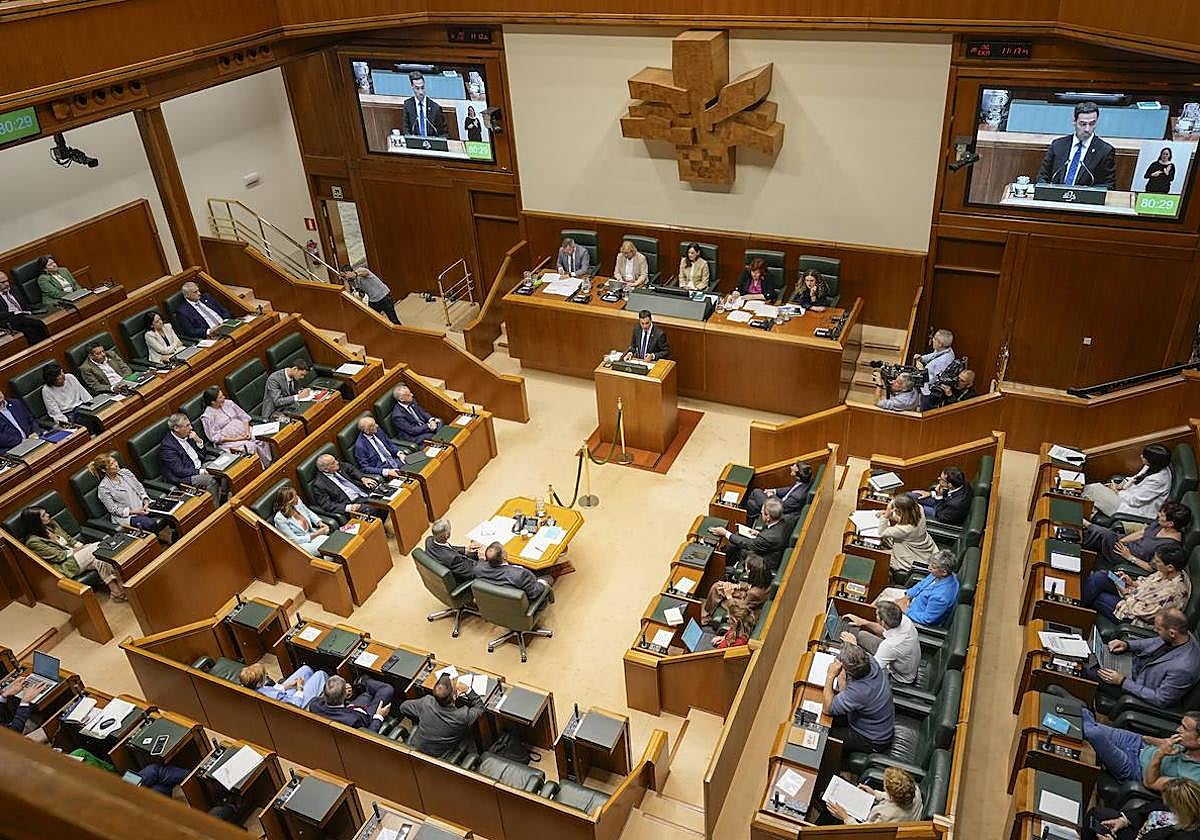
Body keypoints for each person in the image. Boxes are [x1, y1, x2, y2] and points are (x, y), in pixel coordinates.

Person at [1087, 608, 1200, 708]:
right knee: (1090, 652)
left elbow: (1160, 699)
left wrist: (1122, 681)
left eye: (1159, 629)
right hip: (1131, 664)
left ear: (1172, 633)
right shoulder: (1182, 635)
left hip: (1134, 687)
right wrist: (1127, 645)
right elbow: (1154, 642)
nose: (1156, 631)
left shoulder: (1184, 669)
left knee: (1085, 669)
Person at [1072, 704, 1200, 789]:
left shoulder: (1194, 778)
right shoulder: (1186, 744)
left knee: (1093, 733)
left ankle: (1074, 710)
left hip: (1135, 769)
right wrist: (1145, 738)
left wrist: (1160, 753)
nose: (1178, 729)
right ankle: (1076, 712)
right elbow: (1163, 742)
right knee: (1085, 722)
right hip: (1138, 744)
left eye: (1184, 728)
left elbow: (1150, 783)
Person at [20, 506, 124, 600]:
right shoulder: (33, 542)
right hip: (66, 565)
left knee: (100, 560)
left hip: (77, 555)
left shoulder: (52, 524)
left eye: (46, 512)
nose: (48, 515)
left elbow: (70, 540)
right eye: (43, 515)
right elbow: (59, 557)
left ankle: (117, 593)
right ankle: (123, 585)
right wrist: (83, 549)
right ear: (35, 522)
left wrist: (80, 547)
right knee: (99, 548)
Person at [1082, 544, 1191, 625]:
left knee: (1098, 596)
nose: (1153, 562)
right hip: (1133, 593)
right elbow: (1148, 583)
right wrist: (1132, 583)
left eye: (1157, 561)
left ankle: (1076, 610)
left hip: (1132, 613)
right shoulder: (1168, 571)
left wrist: (1126, 595)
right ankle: (1076, 603)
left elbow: (1146, 613)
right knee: (1104, 575)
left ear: (1170, 567)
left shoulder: (1174, 592)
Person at [822, 643, 895, 759]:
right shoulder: (869, 661)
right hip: (873, 721)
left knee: (823, 734)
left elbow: (827, 708)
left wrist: (830, 676)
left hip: (873, 739)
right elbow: (846, 690)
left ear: (849, 672)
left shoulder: (859, 692)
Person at [395, 673, 485, 759]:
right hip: (439, 755)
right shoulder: (461, 716)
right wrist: (468, 690)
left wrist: (419, 719)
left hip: (417, 748)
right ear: (454, 696)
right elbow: (480, 707)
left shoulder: (426, 702)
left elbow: (403, 708)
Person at [1085, 502, 1190, 572]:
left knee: (1105, 534)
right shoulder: (1159, 525)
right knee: (1105, 536)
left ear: (1170, 523)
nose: (1158, 515)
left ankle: (1087, 525)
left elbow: (1151, 567)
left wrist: (1130, 557)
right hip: (1124, 545)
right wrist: (1121, 541)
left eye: (1162, 516)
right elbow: (1141, 533)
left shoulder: (1170, 545)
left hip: (1127, 557)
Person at [1035, 101, 1117, 189]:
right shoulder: (1058, 145)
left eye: (1092, 124)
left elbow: (1108, 185)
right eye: (1083, 124)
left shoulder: (1104, 151)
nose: (1087, 129)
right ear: (1074, 122)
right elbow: (1042, 177)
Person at [92, 452, 173, 541]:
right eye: (112, 464)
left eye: (115, 461)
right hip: (127, 516)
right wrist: (136, 511)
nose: (116, 465)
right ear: (104, 470)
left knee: (169, 508)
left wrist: (145, 501)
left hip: (144, 505)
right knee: (150, 523)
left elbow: (139, 487)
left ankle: (175, 532)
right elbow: (113, 509)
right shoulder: (103, 488)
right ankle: (160, 540)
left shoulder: (125, 472)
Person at [841, 600, 921, 685]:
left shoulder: (890, 645)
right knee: (861, 635)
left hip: (898, 677)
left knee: (850, 668)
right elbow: (883, 630)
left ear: (882, 622)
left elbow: (871, 671)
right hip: (900, 659)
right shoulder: (904, 620)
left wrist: (853, 646)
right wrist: (863, 622)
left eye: (876, 615)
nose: (875, 615)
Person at [874, 549, 961, 628]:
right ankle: (868, 610)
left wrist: (906, 610)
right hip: (915, 601)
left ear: (944, 572)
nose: (929, 568)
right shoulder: (940, 574)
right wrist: (907, 597)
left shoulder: (941, 597)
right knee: (887, 591)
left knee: (884, 607)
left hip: (916, 617)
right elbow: (921, 585)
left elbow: (927, 619)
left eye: (933, 567)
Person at [1084, 444, 1174, 520]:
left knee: (1092, 489)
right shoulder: (1153, 465)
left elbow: (1135, 501)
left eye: (1144, 456)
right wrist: (1123, 484)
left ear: (1152, 460)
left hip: (1133, 510)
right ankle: (1085, 521)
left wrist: (1117, 492)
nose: (1141, 456)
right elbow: (1136, 478)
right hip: (1126, 498)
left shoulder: (1158, 480)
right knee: (1092, 499)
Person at [1092, 777, 1200, 840]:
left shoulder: (1185, 837)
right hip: (1138, 829)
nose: (1164, 803)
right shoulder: (1171, 805)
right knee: (1096, 814)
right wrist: (1124, 820)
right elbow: (1148, 808)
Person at [709, 497, 788, 573]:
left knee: (739, 547)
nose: (761, 513)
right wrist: (759, 534)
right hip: (770, 550)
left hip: (763, 563)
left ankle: (720, 568)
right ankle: (723, 560)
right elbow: (771, 537)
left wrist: (725, 533)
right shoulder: (783, 521)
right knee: (736, 538)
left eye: (762, 512)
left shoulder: (768, 537)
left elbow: (749, 544)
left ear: (768, 517)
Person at [159, 413, 227, 501]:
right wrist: (201, 471)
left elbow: (204, 455)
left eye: (190, 424)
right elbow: (179, 471)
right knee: (210, 480)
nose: (191, 428)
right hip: (185, 477)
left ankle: (224, 496)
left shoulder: (188, 435)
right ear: (176, 428)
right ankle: (216, 509)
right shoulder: (167, 447)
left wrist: (198, 440)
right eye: (187, 426)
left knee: (223, 468)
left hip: (199, 466)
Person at [200, 387, 272, 467]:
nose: (224, 397)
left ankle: (271, 463)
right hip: (229, 442)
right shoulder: (207, 417)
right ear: (213, 402)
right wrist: (238, 439)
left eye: (222, 395)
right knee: (251, 446)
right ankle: (261, 470)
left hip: (246, 431)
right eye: (220, 397)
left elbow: (244, 417)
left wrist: (247, 431)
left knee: (263, 438)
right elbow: (214, 437)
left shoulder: (229, 403)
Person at [827, 767, 924, 825]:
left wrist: (845, 817)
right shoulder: (915, 789)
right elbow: (898, 797)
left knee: (832, 810)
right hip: (907, 819)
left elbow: (864, 833)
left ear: (892, 796)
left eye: (885, 788)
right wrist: (875, 793)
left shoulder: (886, 815)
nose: (883, 787)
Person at [308, 454, 388, 523]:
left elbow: (351, 469)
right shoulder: (319, 484)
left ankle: (382, 526)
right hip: (351, 503)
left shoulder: (339, 466)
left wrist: (362, 478)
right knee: (374, 509)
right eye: (333, 463)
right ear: (326, 469)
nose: (337, 462)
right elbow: (327, 505)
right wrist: (348, 507)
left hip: (363, 493)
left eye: (335, 460)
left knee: (385, 500)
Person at [877, 493, 938, 579]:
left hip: (909, 557)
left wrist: (886, 515)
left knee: (877, 556)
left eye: (896, 511)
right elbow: (904, 517)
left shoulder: (905, 529)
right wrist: (890, 516)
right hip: (924, 550)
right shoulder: (919, 508)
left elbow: (882, 532)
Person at [701, 553, 771, 626]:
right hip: (747, 597)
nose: (745, 568)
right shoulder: (764, 578)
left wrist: (729, 595)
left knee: (720, 598)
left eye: (747, 567)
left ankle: (708, 617)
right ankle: (707, 613)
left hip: (745, 607)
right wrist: (737, 586)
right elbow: (751, 586)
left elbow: (742, 610)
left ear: (751, 571)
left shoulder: (754, 593)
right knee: (718, 586)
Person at [306, 674, 392, 732]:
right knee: (387, 689)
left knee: (367, 695)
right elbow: (368, 735)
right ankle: (364, 681)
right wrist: (379, 716)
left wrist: (341, 696)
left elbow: (327, 699)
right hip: (366, 717)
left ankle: (364, 682)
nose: (347, 685)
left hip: (348, 709)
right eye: (345, 686)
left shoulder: (314, 704)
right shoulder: (353, 721)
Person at [474, 541, 554, 602]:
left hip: (499, 604)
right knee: (548, 577)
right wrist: (541, 583)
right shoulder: (519, 574)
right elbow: (534, 593)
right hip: (521, 605)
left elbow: (481, 562)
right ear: (504, 556)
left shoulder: (478, 568)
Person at [744, 460, 812, 523]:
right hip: (781, 502)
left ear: (798, 477)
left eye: (793, 470)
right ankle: (749, 519)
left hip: (778, 510)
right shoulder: (804, 482)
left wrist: (771, 495)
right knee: (751, 503)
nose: (791, 467)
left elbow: (782, 507)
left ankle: (746, 516)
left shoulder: (797, 496)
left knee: (756, 492)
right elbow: (790, 489)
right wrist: (774, 491)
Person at [239, 662, 328, 708]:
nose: (267, 675)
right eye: (265, 675)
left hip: (283, 697)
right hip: (295, 705)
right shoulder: (271, 696)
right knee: (320, 674)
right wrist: (299, 689)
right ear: (258, 683)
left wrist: (288, 686)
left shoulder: (252, 688)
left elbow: (272, 690)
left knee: (306, 669)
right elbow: (294, 705)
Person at [272, 486, 329, 556]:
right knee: (328, 549)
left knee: (331, 543)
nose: (297, 497)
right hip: (300, 546)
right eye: (295, 496)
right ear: (289, 501)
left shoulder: (297, 502)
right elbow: (294, 540)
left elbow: (308, 512)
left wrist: (319, 523)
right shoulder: (279, 518)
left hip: (311, 534)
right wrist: (317, 534)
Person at [0, 271, 48, 344]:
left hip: (24, 317)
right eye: (3, 282)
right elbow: (1, 315)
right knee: (38, 324)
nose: (7, 284)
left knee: (30, 330)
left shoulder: (14, 289)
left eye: (7, 281)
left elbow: (25, 305)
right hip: (9, 320)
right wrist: (16, 313)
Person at [40, 363, 91, 428]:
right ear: (51, 379)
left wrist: (93, 407)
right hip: (68, 414)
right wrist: (68, 425)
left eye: (61, 372)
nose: (62, 376)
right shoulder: (46, 390)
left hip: (82, 408)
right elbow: (55, 413)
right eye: (58, 376)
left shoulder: (70, 377)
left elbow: (85, 396)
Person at [913, 329, 955, 405]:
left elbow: (931, 380)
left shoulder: (942, 361)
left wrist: (921, 369)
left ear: (940, 344)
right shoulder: (945, 349)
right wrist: (922, 358)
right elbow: (934, 355)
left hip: (928, 392)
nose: (932, 339)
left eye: (935, 338)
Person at [402, 71, 446, 137]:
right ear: (412, 87)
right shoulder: (408, 105)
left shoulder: (435, 108)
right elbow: (406, 130)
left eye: (422, 87)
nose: (421, 92)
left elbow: (443, 133)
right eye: (417, 88)